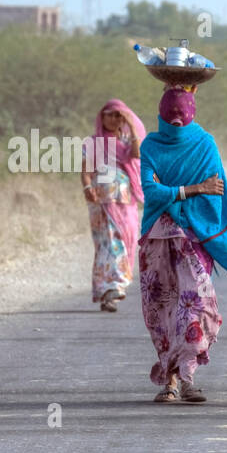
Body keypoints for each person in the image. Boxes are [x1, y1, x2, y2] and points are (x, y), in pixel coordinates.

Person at [138, 86, 227, 403]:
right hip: (157, 240)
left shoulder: (204, 144)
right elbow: (150, 190)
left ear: (193, 112)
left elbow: (214, 191)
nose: (177, 118)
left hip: (192, 240)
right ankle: (173, 382)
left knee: (195, 307)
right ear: (161, 112)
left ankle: (186, 377)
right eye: (171, 112)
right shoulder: (150, 144)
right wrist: (193, 188)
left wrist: (173, 190)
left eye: (182, 112)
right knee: (162, 309)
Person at [81, 99, 146, 312]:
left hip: (125, 199)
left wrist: (130, 123)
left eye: (118, 115)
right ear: (102, 117)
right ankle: (111, 287)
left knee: (126, 238)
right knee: (107, 241)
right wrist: (87, 187)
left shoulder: (127, 141)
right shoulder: (93, 142)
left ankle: (111, 287)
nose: (113, 119)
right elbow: (86, 170)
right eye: (109, 114)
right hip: (101, 198)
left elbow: (136, 154)